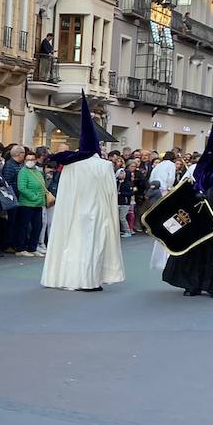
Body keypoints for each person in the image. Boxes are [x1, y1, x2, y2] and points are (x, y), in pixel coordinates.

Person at [40, 96, 125, 292]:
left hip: (72, 212)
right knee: (92, 247)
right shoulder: (104, 166)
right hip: (96, 213)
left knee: (71, 243)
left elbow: (65, 191)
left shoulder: (71, 166)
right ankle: (88, 280)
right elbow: (111, 193)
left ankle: (65, 277)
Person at [162, 107, 213, 299]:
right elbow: (182, 190)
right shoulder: (194, 170)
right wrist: (195, 195)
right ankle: (191, 284)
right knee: (194, 251)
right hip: (197, 218)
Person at [15, 151, 47, 256]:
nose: (30, 162)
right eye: (28, 159)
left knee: (37, 226)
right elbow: (22, 188)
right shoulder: (23, 172)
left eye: (32, 159)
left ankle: (33, 248)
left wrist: (40, 198)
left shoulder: (37, 171)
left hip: (38, 204)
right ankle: (20, 248)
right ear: (25, 161)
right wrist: (34, 197)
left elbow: (43, 185)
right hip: (26, 204)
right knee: (23, 226)